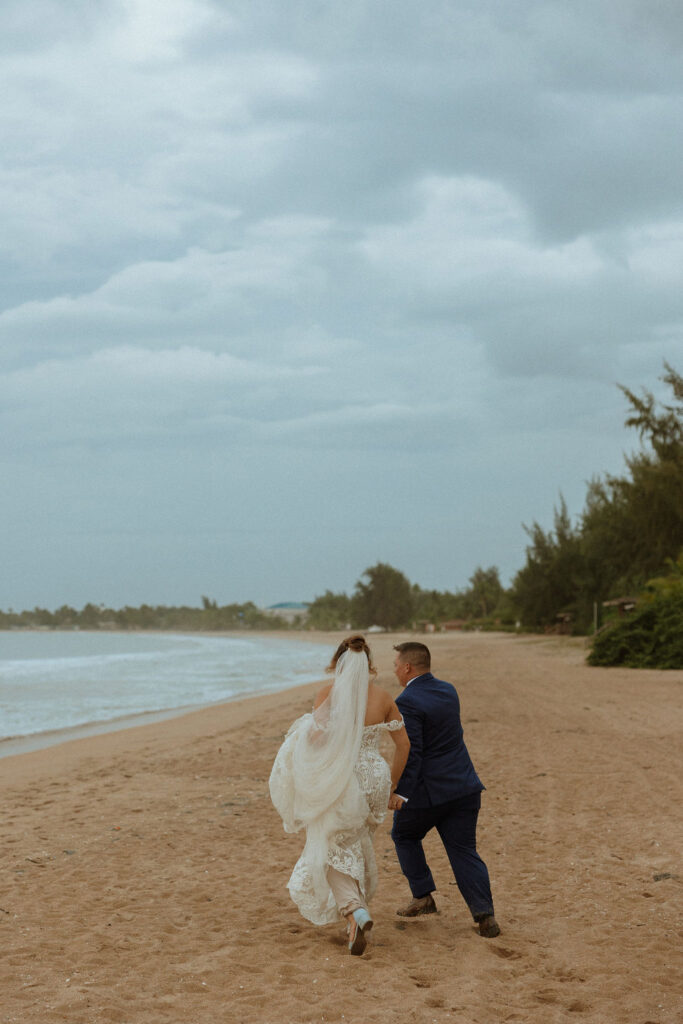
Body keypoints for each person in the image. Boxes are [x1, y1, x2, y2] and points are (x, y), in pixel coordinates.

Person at [269, 635, 410, 955]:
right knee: (354, 847)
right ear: (369, 665)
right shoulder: (385, 697)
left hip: (344, 779)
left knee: (328, 847)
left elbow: (317, 739)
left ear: (337, 664)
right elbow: (404, 745)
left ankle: (354, 910)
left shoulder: (328, 694)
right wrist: (393, 786)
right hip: (375, 776)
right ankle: (352, 925)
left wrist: (305, 733)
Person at [389, 641, 500, 937]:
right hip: (464, 786)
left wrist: (401, 792)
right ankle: (484, 915)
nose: (395, 671)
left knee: (403, 834)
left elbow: (414, 751)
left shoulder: (407, 700)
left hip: (429, 793)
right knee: (464, 850)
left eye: (396, 665)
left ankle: (423, 896)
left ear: (408, 667)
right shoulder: (448, 690)